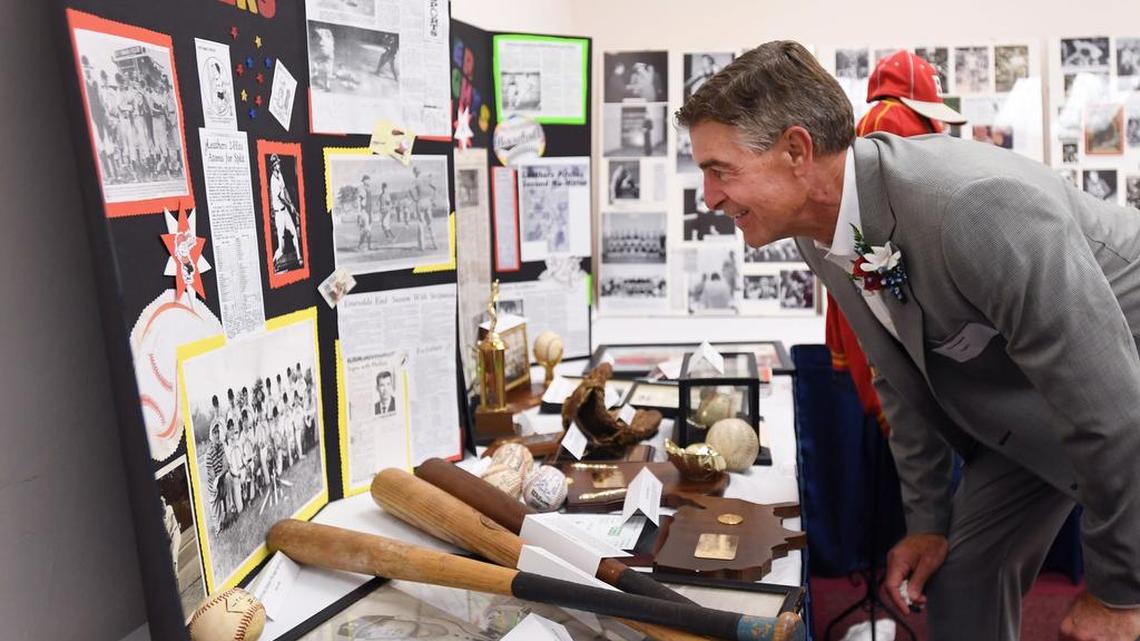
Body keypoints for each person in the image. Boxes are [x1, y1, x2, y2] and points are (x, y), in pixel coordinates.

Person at [678, 40, 1140, 641]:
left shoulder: (976, 208)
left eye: (721, 170)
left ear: (797, 150)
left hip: (1120, 383)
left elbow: (1111, 404)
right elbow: (902, 376)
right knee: (962, 580)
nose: (710, 197)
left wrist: (1121, 592)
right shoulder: (816, 232)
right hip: (1027, 401)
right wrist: (928, 522)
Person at [828, 49, 966, 436]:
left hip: (877, 283)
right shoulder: (895, 122)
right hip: (893, 297)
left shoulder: (872, 121)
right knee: (918, 446)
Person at [268, 154, 302, 267]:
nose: (279, 165)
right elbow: (280, 197)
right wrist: (289, 205)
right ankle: (272, 263)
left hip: (285, 211)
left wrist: (291, 204)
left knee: (293, 232)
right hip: (279, 215)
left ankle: (299, 257)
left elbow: (285, 190)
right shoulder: (273, 180)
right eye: (277, 164)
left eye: (279, 163)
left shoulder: (280, 174)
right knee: (281, 249)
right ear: (273, 166)